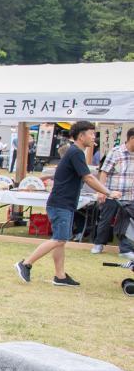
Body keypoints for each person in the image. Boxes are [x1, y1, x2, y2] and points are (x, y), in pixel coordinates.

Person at [15, 121, 121, 287]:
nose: (94, 137)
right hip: (61, 203)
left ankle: (60, 276)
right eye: (91, 133)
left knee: (61, 240)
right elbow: (88, 177)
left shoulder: (75, 152)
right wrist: (108, 192)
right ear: (81, 136)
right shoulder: (76, 152)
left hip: (64, 203)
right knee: (59, 239)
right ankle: (26, 263)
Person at [92, 127, 134, 259]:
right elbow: (104, 172)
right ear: (132, 139)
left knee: (126, 222)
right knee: (106, 219)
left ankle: (125, 249)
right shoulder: (116, 152)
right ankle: (99, 243)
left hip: (130, 195)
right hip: (112, 193)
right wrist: (102, 191)